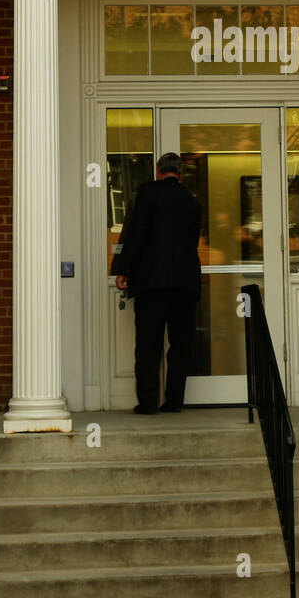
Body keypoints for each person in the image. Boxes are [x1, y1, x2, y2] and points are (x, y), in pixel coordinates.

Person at [114, 151, 202, 414]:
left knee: (148, 344)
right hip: (185, 284)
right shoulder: (192, 202)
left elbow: (134, 234)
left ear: (157, 170)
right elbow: (192, 242)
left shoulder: (146, 194)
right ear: (181, 173)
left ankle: (148, 401)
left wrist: (123, 270)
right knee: (180, 345)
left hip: (151, 282)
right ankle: (174, 401)